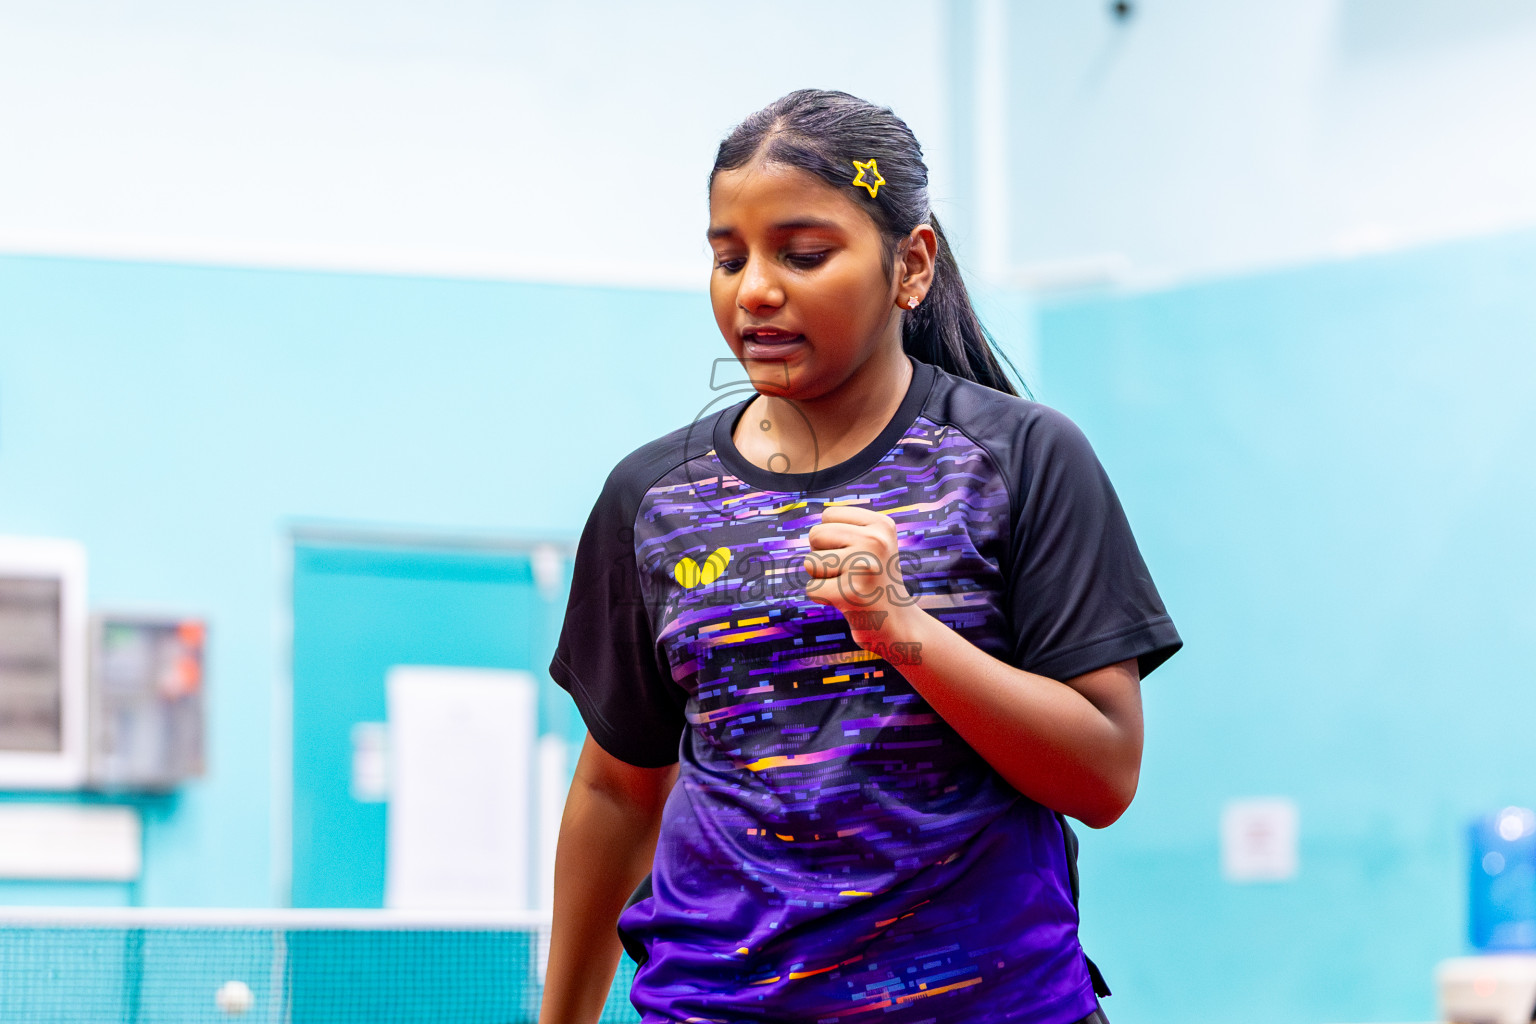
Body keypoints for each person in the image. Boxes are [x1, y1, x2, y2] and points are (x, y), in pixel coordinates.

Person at [539, 88, 1182, 1024]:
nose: (754, 288)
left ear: (910, 265)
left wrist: (899, 628)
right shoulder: (654, 498)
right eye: (728, 258)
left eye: (802, 255)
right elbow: (616, 791)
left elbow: (1104, 773)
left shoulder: (1022, 460)